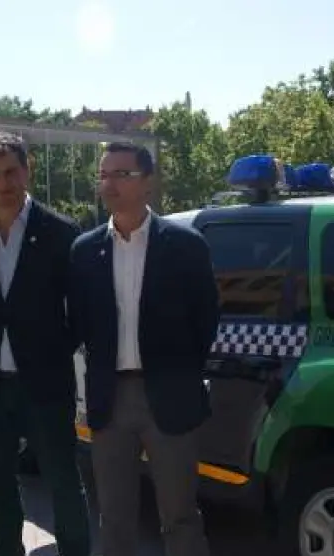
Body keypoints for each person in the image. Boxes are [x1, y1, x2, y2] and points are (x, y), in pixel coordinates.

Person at [67, 142, 220, 556]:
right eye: (103, 175)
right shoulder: (85, 251)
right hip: (110, 401)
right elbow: (78, 322)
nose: (108, 184)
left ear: (147, 182)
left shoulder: (185, 245)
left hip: (168, 397)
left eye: (121, 174)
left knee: (180, 516)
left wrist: (180, 374)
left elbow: (206, 319)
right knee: (114, 517)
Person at [0, 131, 90, 556]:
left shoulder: (61, 232)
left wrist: (50, 350)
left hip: (46, 386)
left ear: (27, 171)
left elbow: (80, 312)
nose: (4, 183)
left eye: (11, 172)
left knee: (63, 481)